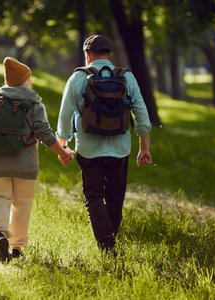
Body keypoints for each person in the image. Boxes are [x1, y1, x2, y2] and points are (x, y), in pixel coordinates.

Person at [0, 57, 74, 263]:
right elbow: (44, 134)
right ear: (26, 80)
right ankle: (16, 247)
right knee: (22, 204)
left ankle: (1, 233)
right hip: (25, 165)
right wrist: (62, 152)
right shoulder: (35, 103)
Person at [56, 35, 152, 253]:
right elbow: (142, 116)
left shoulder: (78, 78)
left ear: (87, 55)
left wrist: (63, 144)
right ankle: (109, 242)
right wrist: (144, 148)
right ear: (110, 55)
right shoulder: (127, 77)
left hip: (89, 149)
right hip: (120, 149)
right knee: (115, 199)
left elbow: (65, 115)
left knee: (94, 197)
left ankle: (107, 246)